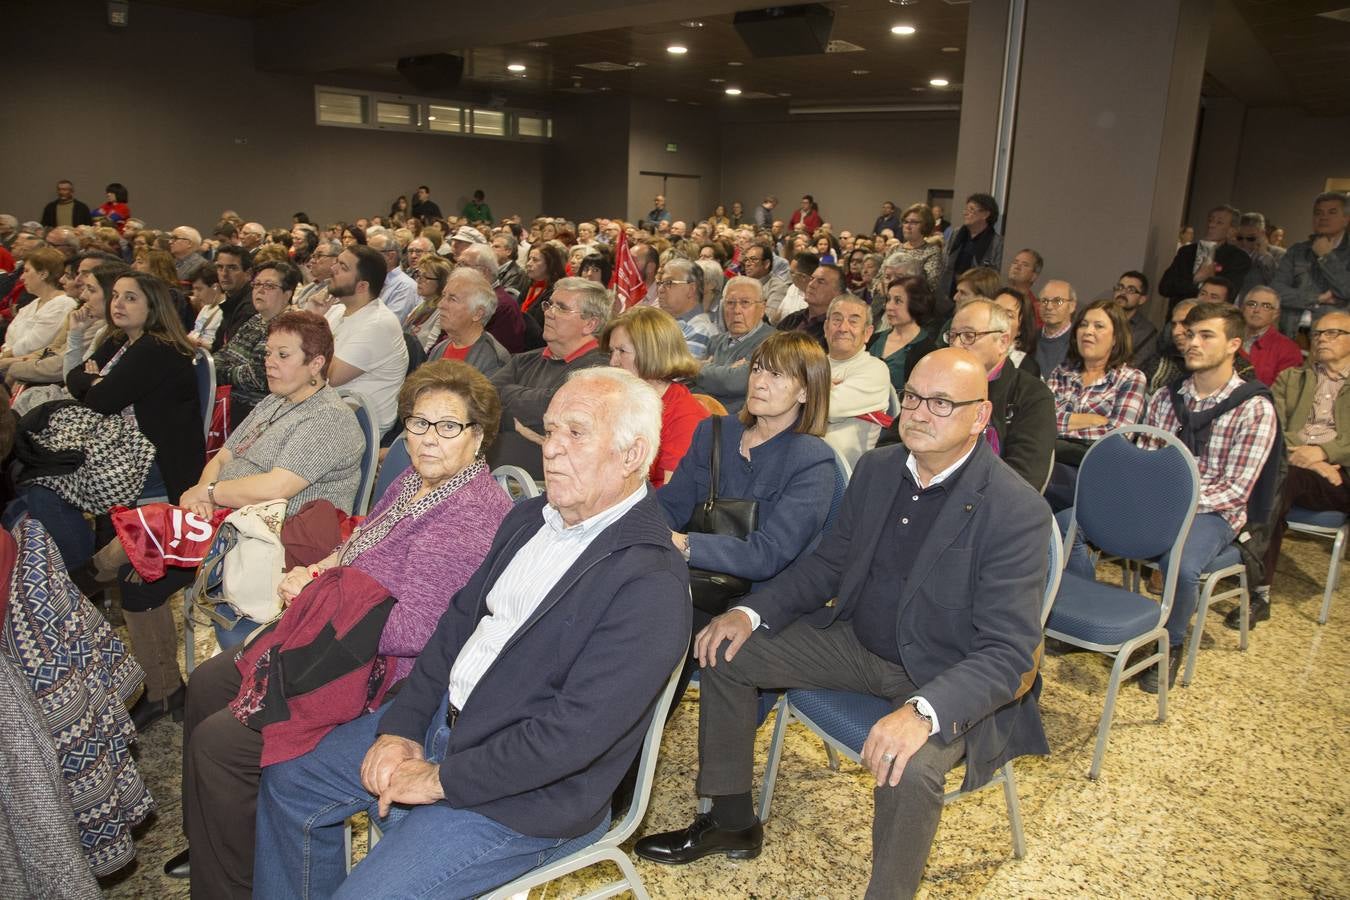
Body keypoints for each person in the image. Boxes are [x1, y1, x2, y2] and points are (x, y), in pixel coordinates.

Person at [252, 367, 689, 898]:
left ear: (632, 455)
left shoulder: (650, 581)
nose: (551, 449)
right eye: (549, 431)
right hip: (445, 723)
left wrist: (437, 779)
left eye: (576, 433)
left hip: (526, 794)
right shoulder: (530, 519)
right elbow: (454, 627)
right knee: (290, 783)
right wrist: (402, 728)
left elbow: (573, 738)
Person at [636, 347, 1051, 899]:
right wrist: (750, 611)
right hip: (859, 643)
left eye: (944, 404)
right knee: (727, 649)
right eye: (916, 399)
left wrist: (924, 712)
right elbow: (829, 564)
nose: (922, 414)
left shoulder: (1014, 508)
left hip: (944, 673)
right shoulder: (880, 468)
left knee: (912, 762)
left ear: (980, 417)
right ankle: (731, 818)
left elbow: (1008, 652)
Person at [167, 360, 514, 897]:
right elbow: (359, 548)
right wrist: (321, 568)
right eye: (418, 423)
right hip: (337, 635)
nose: (427, 440)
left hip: (378, 669)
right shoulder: (413, 482)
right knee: (210, 684)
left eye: (449, 427)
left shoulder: (466, 516)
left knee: (222, 743)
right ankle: (221, 834)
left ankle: (229, 883)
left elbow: (417, 630)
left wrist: (315, 599)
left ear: (478, 437)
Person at [1066, 302, 1277, 692]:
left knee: (1179, 564)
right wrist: (1146, 500)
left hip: (1213, 511)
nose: (1192, 342)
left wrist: (1168, 506)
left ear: (1234, 344)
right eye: (1190, 334)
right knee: (1068, 524)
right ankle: (1083, 610)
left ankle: (1170, 642)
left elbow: (1235, 489)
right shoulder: (1167, 398)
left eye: (1205, 335)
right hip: (1155, 500)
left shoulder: (1254, 408)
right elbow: (1145, 457)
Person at [659, 330, 834, 685]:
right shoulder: (714, 432)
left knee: (663, 626)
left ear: (805, 391)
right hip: (694, 581)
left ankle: (633, 733)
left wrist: (683, 544)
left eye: (776, 374)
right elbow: (670, 505)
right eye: (757, 370)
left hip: (757, 600)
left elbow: (767, 555)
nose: (760, 382)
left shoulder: (812, 459)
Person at [881, 298, 1057, 491]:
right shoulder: (933, 381)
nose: (957, 344)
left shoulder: (1032, 395)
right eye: (953, 335)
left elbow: (1024, 477)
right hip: (915, 487)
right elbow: (891, 445)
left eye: (968, 335)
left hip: (985, 503)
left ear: (1003, 342)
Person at [1255, 311, 1350, 627]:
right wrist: (1304, 454)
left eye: (1333, 333)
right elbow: (1272, 425)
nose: (1322, 338)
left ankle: (1253, 578)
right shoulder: (1291, 379)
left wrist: (1323, 453)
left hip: (1341, 475)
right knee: (1278, 476)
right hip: (1294, 467)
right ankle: (1260, 589)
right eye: (1319, 333)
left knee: (1278, 478)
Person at [488, 276, 610, 477]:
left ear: (590, 323)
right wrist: (526, 417)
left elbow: (553, 408)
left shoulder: (600, 369)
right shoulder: (524, 360)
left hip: (548, 487)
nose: (549, 313)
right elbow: (484, 399)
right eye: (549, 304)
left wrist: (508, 398)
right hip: (492, 476)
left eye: (561, 308)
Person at [1043, 298, 1147, 510]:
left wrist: (1062, 426)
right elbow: (1043, 421)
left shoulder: (1130, 378)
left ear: (1116, 337)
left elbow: (1117, 437)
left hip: (1097, 473)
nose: (1088, 331)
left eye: (1098, 326)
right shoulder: (1062, 372)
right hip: (1052, 461)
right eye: (1083, 324)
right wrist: (1087, 420)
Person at [601, 306, 709, 486]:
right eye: (611, 352)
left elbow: (673, 498)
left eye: (622, 351)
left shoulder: (685, 416)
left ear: (651, 352)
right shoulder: (617, 400)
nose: (613, 362)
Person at [325, 245, 410, 435]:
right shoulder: (337, 310)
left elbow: (331, 377)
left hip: (359, 426)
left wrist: (312, 326)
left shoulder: (378, 323)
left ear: (362, 286)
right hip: (331, 411)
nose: (333, 269)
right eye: (337, 263)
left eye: (343, 267)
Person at [213, 259, 300, 428]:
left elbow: (258, 376)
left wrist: (220, 372)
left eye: (269, 286)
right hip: (233, 403)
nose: (259, 290)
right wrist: (223, 368)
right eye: (257, 284)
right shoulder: (256, 319)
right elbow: (223, 354)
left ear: (287, 294)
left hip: (260, 413)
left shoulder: (289, 326)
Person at [821, 295, 892, 468]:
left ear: (867, 333)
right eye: (837, 320)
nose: (843, 328)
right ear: (826, 327)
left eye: (853, 322)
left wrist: (806, 388)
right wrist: (824, 388)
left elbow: (826, 408)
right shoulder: (810, 363)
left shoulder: (875, 370)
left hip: (840, 473)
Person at [1272, 191, 1350, 337]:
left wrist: (1326, 257)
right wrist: (1317, 298)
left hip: (1333, 337)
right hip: (1289, 332)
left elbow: (1347, 289)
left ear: (1346, 219)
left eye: (1332, 212)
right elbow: (1276, 291)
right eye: (1318, 213)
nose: (1323, 217)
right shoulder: (1297, 250)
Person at [694, 276, 775, 414]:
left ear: (762, 308)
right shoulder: (715, 341)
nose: (736, 310)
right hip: (704, 415)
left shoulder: (773, 343)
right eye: (730, 303)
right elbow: (696, 384)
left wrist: (699, 367)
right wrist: (726, 371)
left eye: (745, 303)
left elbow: (736, 382)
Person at [1159, 204, 1251, 313]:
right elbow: (1165, 287)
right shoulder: (1187, 252)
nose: (1211, 225)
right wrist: (1195, 279)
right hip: (1179, 316)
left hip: (1212, 317)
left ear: (1232, 230)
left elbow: (1228, 295)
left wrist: (1209, 278)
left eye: (1219, 222)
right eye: (1210, 220)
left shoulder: (1238, 258)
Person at [0, 247, 76, 371]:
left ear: (43, 274)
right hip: (9, 361)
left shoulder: (63, 304)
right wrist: (5, 352)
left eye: (26, 271)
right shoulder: (33, 304)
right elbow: (9, 338)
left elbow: (34, 344)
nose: (22, 277)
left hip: (31, 366)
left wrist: (5, 356)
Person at [428, 268, 510, 377]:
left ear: (478, 314)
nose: (441, 305)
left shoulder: (494, 360)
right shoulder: (439, 349)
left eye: (452, 299)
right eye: (444, 296)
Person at [867, 275, 938, 393]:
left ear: (916, 304)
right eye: (888, 299)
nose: (889, 307)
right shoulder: (873, 339)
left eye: (898, 301)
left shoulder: (927, 352)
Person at [937, 193, 1004, 316]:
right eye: (966, 209)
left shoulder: (996, 242)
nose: (965, 213)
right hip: (947, 296)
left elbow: (993, 275)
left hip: (975, 300)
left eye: (971, 209)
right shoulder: (957, 234)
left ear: (985, 214)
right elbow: (945, 262)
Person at [655, 258, 717, 361]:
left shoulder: (700, 330)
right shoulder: (668, 323)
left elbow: (680, 374)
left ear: (691, 289)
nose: (660, 289)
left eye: (668, 283)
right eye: (660, 283)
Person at [1241, 285, 1303, 386]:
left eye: (1266, 306)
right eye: (1252, 304)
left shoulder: (1288, 350)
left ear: (1276, 314)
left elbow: (1284, 392)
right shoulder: (1226, 337)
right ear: (1243, 308)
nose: (1257, 310)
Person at [1113, 271, 1159, 374]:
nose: (1122, 293)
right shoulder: (1099, 318)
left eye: (1131, 290)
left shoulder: (1147, 331)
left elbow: (1135, 367)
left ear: (1142, 299)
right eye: (1120, 287)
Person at [891, 203, 944, 293]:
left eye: (914, 222)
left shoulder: (932, 252)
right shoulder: (894, 249)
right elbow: (879, 278)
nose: (907, 226)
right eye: (906, 222)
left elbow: (930, 285)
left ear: (925, 225)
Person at [991, 285, 1040, 375]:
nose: (999, 317)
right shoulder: (970, 348)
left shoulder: (1025, 367)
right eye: (995, 310)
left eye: (1009, 315)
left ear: (1020, 329)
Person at [1034, 279, 1077, 375]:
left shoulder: (1078, 343)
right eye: (1044, 301)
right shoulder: (1029, 339)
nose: (1049, 307)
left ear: (1072, 306)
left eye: (1058, 301)